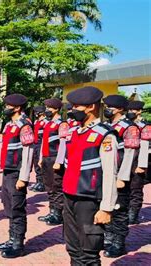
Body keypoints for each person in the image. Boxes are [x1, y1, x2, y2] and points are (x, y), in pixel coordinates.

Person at [62, 86, 118, 265]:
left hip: (90, 199)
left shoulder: (104, 135)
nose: (72, 111)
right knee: (73, 248)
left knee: (88, 252)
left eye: (76, 107)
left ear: (91, 107)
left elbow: (110, 173)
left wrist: (107, 207)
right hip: (70, 196)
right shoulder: (74, 132)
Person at [0, 94, 34, 258]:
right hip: (8, 170)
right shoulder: (10, 124)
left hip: (17, 172)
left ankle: (18, 244)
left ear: (17, 108)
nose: (6, 108)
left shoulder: (24, 125)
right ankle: (11, 239)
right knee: (9, 205)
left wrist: (23, 177)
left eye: (8, 105)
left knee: (17, 208)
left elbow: (28, 151)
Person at [102, 94, 140, 258]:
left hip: (119, 175)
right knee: (107, 206)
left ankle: (118, 243)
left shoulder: (129, 127)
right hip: (106, 173)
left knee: (119, 209)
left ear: (120, 109)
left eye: (110, 107)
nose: (106, 110)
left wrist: (122, 178)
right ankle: (108, 238)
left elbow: (130, 154)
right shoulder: (107, 125)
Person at [37, 98, 68, 226]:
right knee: (49, 186)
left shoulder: (62, 124)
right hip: (46, 157)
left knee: (56, 186)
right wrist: (40, 158)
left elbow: (63, 143)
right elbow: (44, 141)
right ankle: (52, 211)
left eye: (49, 108)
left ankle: (58, 214)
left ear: (56, 109)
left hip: (55, 158)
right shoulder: (48, 123)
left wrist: (59, 161)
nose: (47, 110)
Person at [126, 100, 149, 224]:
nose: (130, 113)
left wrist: (142, 165)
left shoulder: (145, 126)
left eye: (132, 110)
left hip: (137, 161)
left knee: (135, 189)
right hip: (125, 160)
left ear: (139, 111)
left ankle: (133, 214)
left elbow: (145, 146)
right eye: (128, 110)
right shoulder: (126, 125)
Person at [30, 106, 47, 192]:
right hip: (35, 144)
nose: (36, 114)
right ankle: (38, 181)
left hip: (41, 143)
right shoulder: (36, 122)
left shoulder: (45, 122)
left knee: (41, 164)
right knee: (36, 163)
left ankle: (42, 183)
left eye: (38, 112)